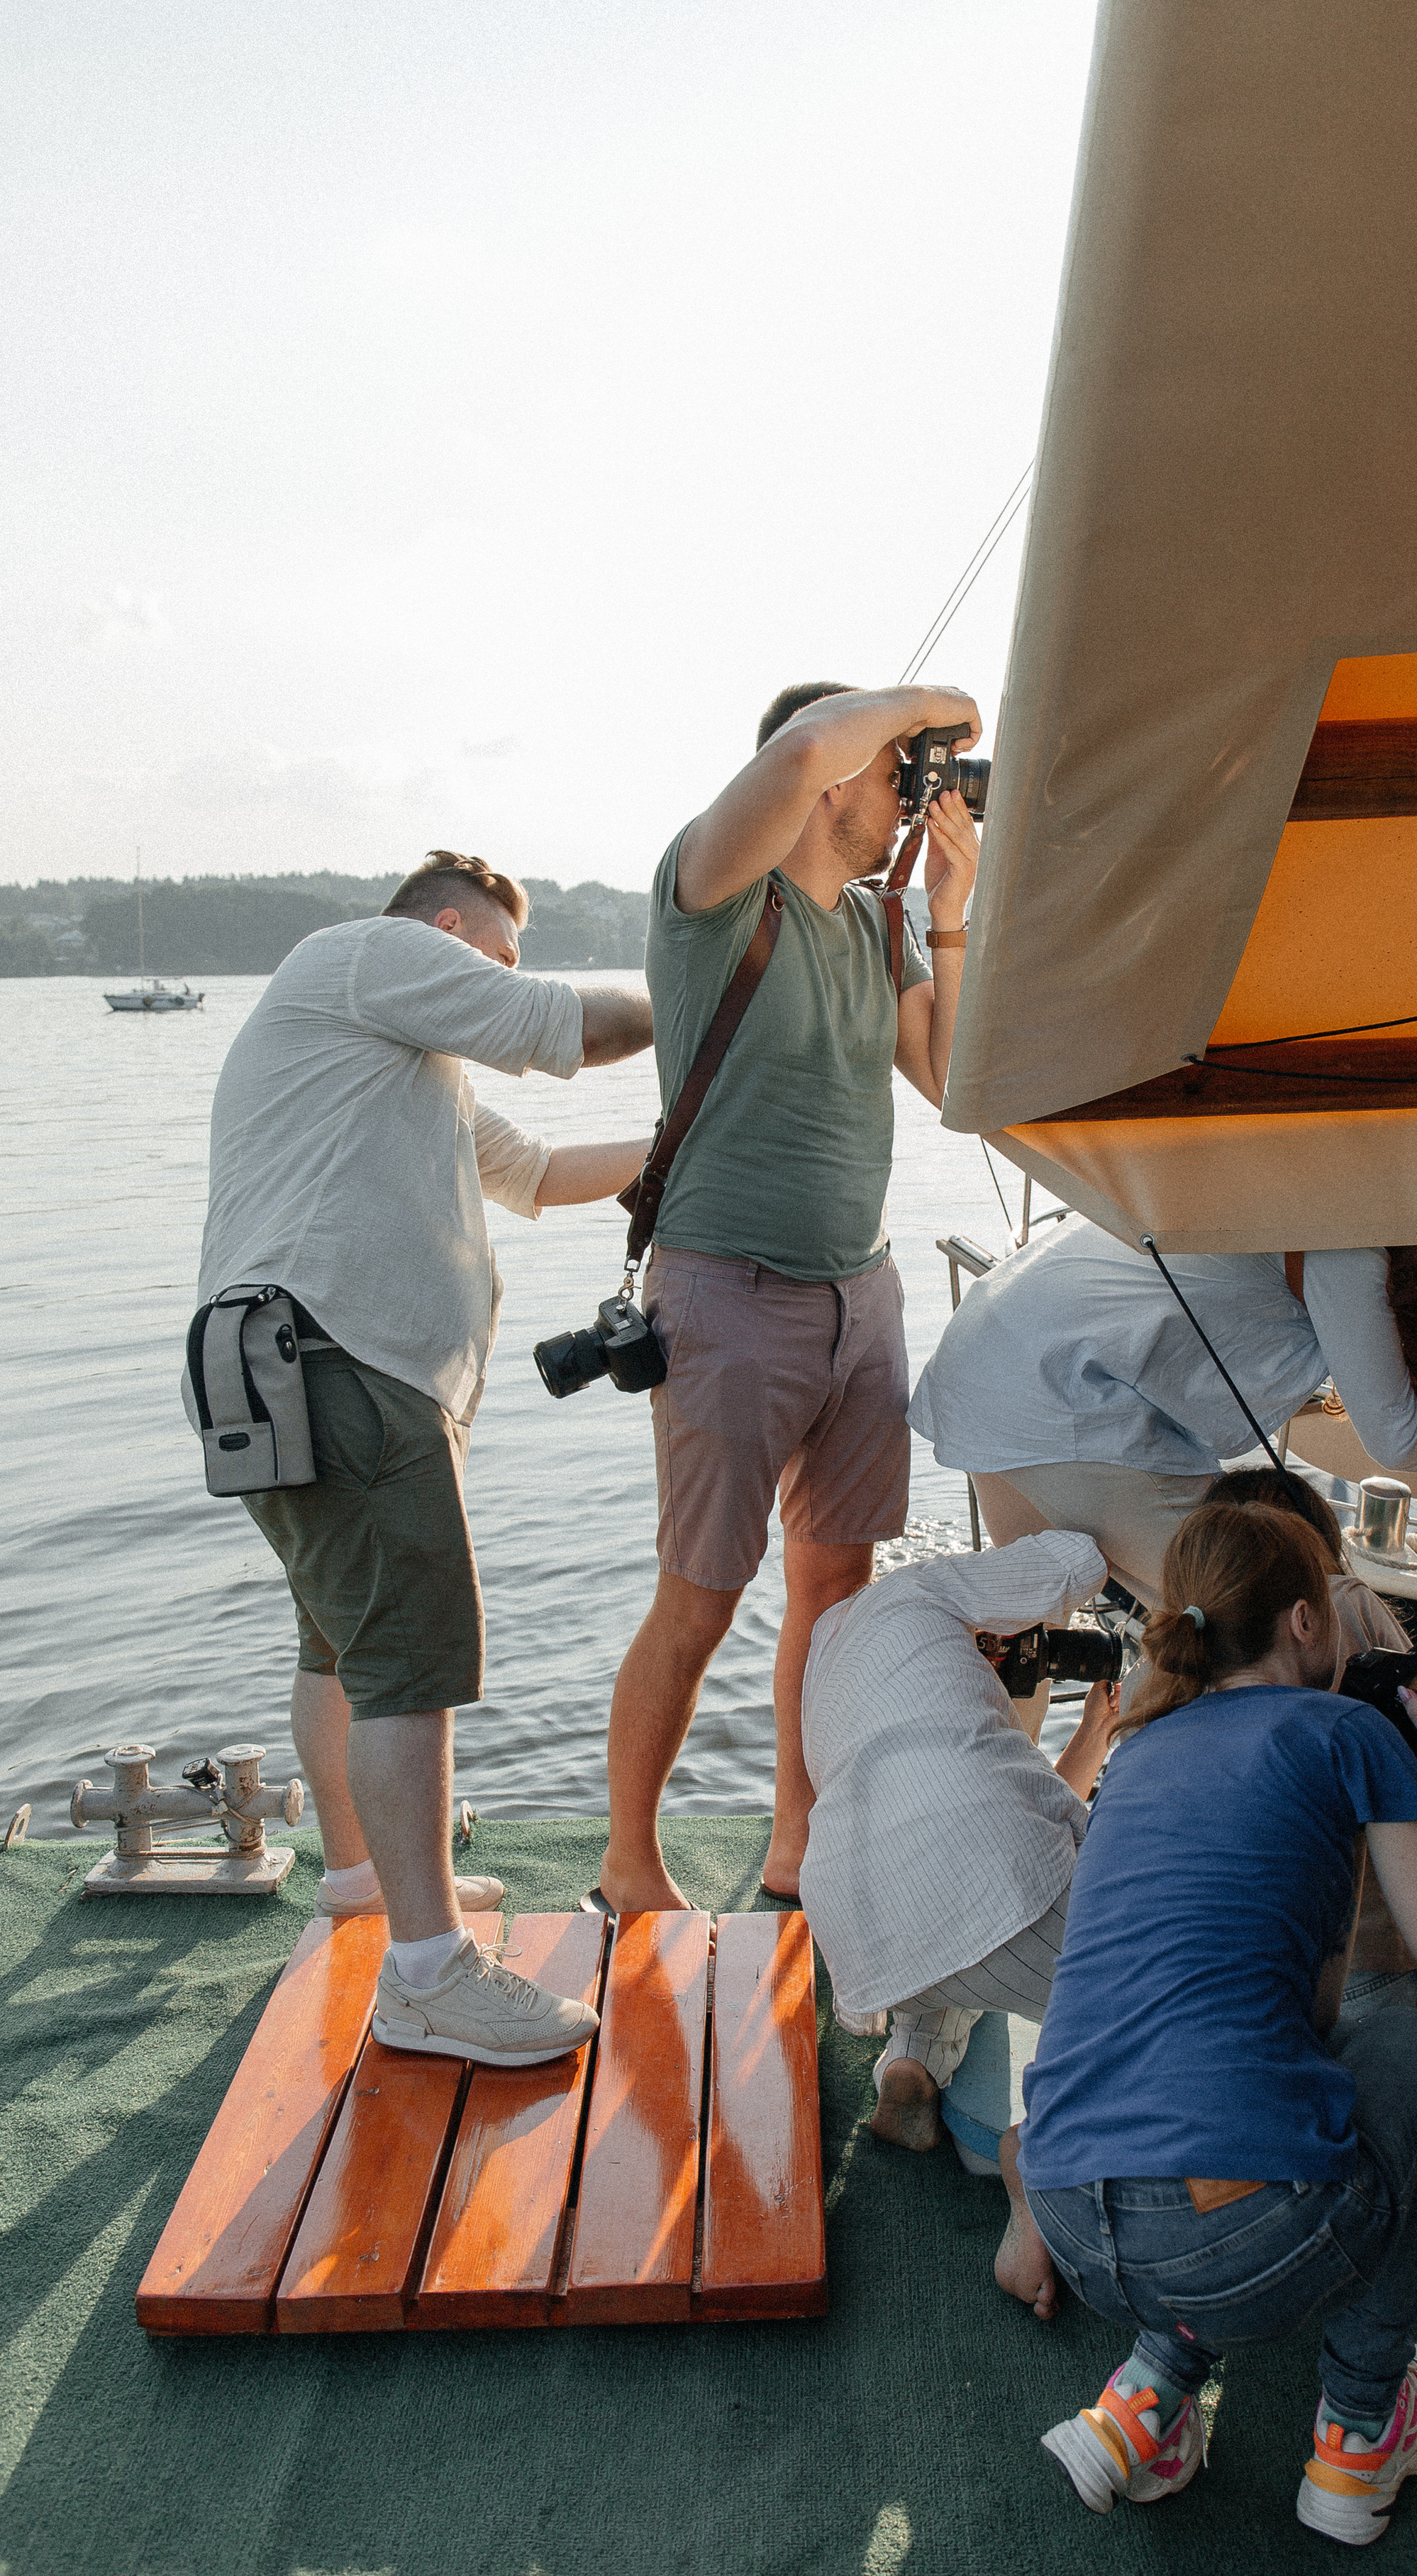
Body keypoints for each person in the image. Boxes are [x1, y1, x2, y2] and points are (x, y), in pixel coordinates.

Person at [196, 851, 654, 2066]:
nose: (498, 978)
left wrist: (674, 1151)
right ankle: (430, 1974)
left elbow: (546, 1178)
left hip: (267, 1359)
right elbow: (566, 1026)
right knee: (412, 1659)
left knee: (339, 1644)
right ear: (447, 933)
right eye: (495, 955)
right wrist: (717, 992)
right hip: (338, 1358)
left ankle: (358, 1879)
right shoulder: (375, 953)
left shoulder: (401, 1066)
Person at [1010, 1500, 1417, 2543]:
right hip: (1233, 2237)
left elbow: (1307, 2014)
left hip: (1066, 2214)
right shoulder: (1342, 1734)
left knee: (1271, 2082)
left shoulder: (1139, 1754)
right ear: (1305, 1621)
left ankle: (1146, 2403)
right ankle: (1360, 2434)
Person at [600, 678, 982, 1920]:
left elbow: (950, 1078)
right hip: (728, 1296)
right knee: (700, 1598)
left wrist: (950, 913)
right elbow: (813, 739)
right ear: (830, 778)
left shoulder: (878, 926)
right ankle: (629, 1859)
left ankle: (796, 1850)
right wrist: (940, 703)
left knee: (834, 1595)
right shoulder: (714, 894)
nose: (910, 796)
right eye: (900, 773)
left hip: (859, 1298)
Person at [908, 1225, 1417, 1608]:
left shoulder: (1295, 1187)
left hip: (991, 1365)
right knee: (1273, 1616)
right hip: (1056, 1398)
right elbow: (1397, 1434)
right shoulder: (1351, 1241)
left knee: (1029, 1632)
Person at [798, 1530, 1119, 2301]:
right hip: (991, 1894)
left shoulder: (830, 1649)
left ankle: (909, 2064)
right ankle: (1039, 2165)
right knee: (1159, 2000)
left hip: (861, 1925)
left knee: (954, 1948)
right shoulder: (929, 1587)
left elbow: (997, 1799)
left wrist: (1091, 1736)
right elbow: (1078, 1558)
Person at [1193, 1469, 1417, 2111]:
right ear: (1307, 1616)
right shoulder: (1351, 1630)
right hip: (1362, 2004)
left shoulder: (1152, 1706)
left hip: (1196, 2029)